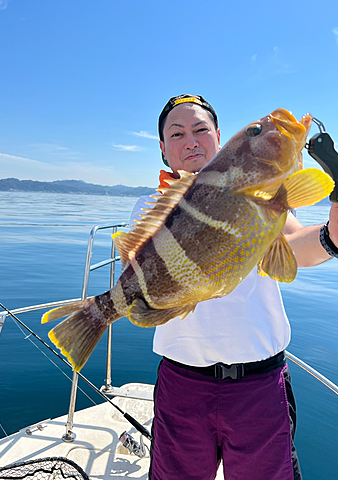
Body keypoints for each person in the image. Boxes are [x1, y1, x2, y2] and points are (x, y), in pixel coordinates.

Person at [130, 95, 338, 480]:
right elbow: (142, 282)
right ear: (162, 148)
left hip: (258, 387)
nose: (190, 140)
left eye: (200, 129)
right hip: (183, 384)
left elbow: (298, 248)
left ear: (220, 138)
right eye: (177, 134)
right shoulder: (151, 206)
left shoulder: (263, 194)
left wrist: (335, 218)